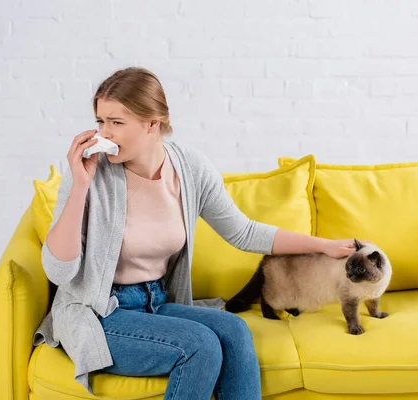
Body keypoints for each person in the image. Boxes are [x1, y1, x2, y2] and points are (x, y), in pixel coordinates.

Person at [33, 67, 357, 400]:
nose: (105, 134)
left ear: (152, 124)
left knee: (233, 330)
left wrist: (324, 246)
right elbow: (60, 271)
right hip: (99, 311)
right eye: (101, 121)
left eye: (116, 122)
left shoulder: (189, 168)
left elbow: (242, 231)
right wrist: (80, 187)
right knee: (200, 346)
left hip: (156, 301)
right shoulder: (88, 172)